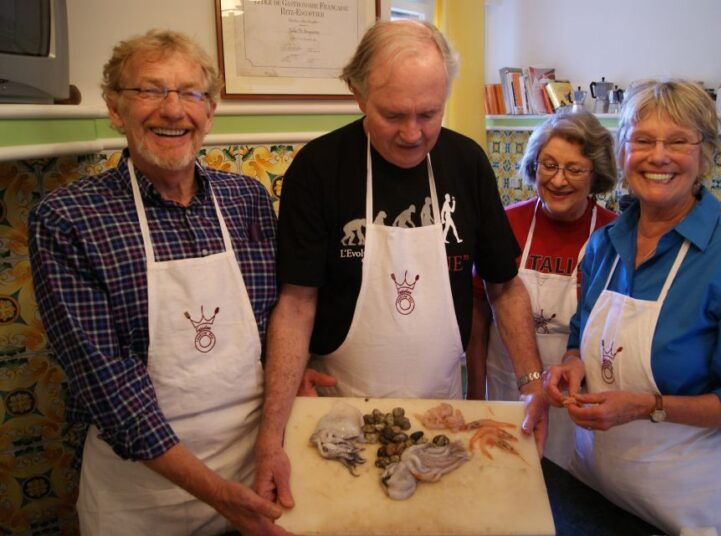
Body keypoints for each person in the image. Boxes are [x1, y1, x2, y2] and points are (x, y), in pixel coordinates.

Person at [254, 19, 547, 511]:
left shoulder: (467, 162)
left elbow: (504, 287)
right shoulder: (319, 168)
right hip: (338, 413)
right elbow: (297, 304)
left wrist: (531, 383)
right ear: (358, 93)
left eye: (429, 114)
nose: (413, 134)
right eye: (393, 115)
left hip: (441, 413)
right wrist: (271, 435)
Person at [28, 30, 290, 535]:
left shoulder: (247, 199)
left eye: (191, 93)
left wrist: (292, 382)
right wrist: (220, 496)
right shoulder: (67, 219)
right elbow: (108, 389)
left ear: (209, 111)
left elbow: (277, 318)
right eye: (150, 90)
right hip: (141, 499)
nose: (174, 110)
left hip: (256, 475)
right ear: (114, 107)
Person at [544, 79, 721, 535]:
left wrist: (648, 406)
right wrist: (572, 364)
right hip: (596, 483)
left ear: (704, 154)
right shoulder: (605, 245)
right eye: (642, 140)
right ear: (622, 151)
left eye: (677, 141)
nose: (658, 156)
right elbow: (581, 333)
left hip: (687, 503)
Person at [466, 111, 618, 471]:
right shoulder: (506, 224)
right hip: (507, 387)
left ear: (596, 175)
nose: (558, 180)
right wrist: (474, 394)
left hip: (580, 399)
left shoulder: (615, 235)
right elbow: (478, 315)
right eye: (548, 165)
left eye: (574, 169)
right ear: (534, 166)